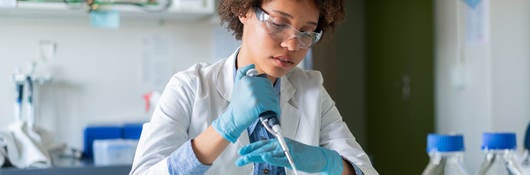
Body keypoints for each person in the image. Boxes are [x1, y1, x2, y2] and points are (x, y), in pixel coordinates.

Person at [129, 0, 378, 174]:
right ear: (244, 10)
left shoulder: (311, 91)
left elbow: (365, 171)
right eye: (279, 23)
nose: (292, 45)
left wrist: (329, 163)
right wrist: (225, 127)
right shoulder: (189, 88)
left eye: (306, 32)